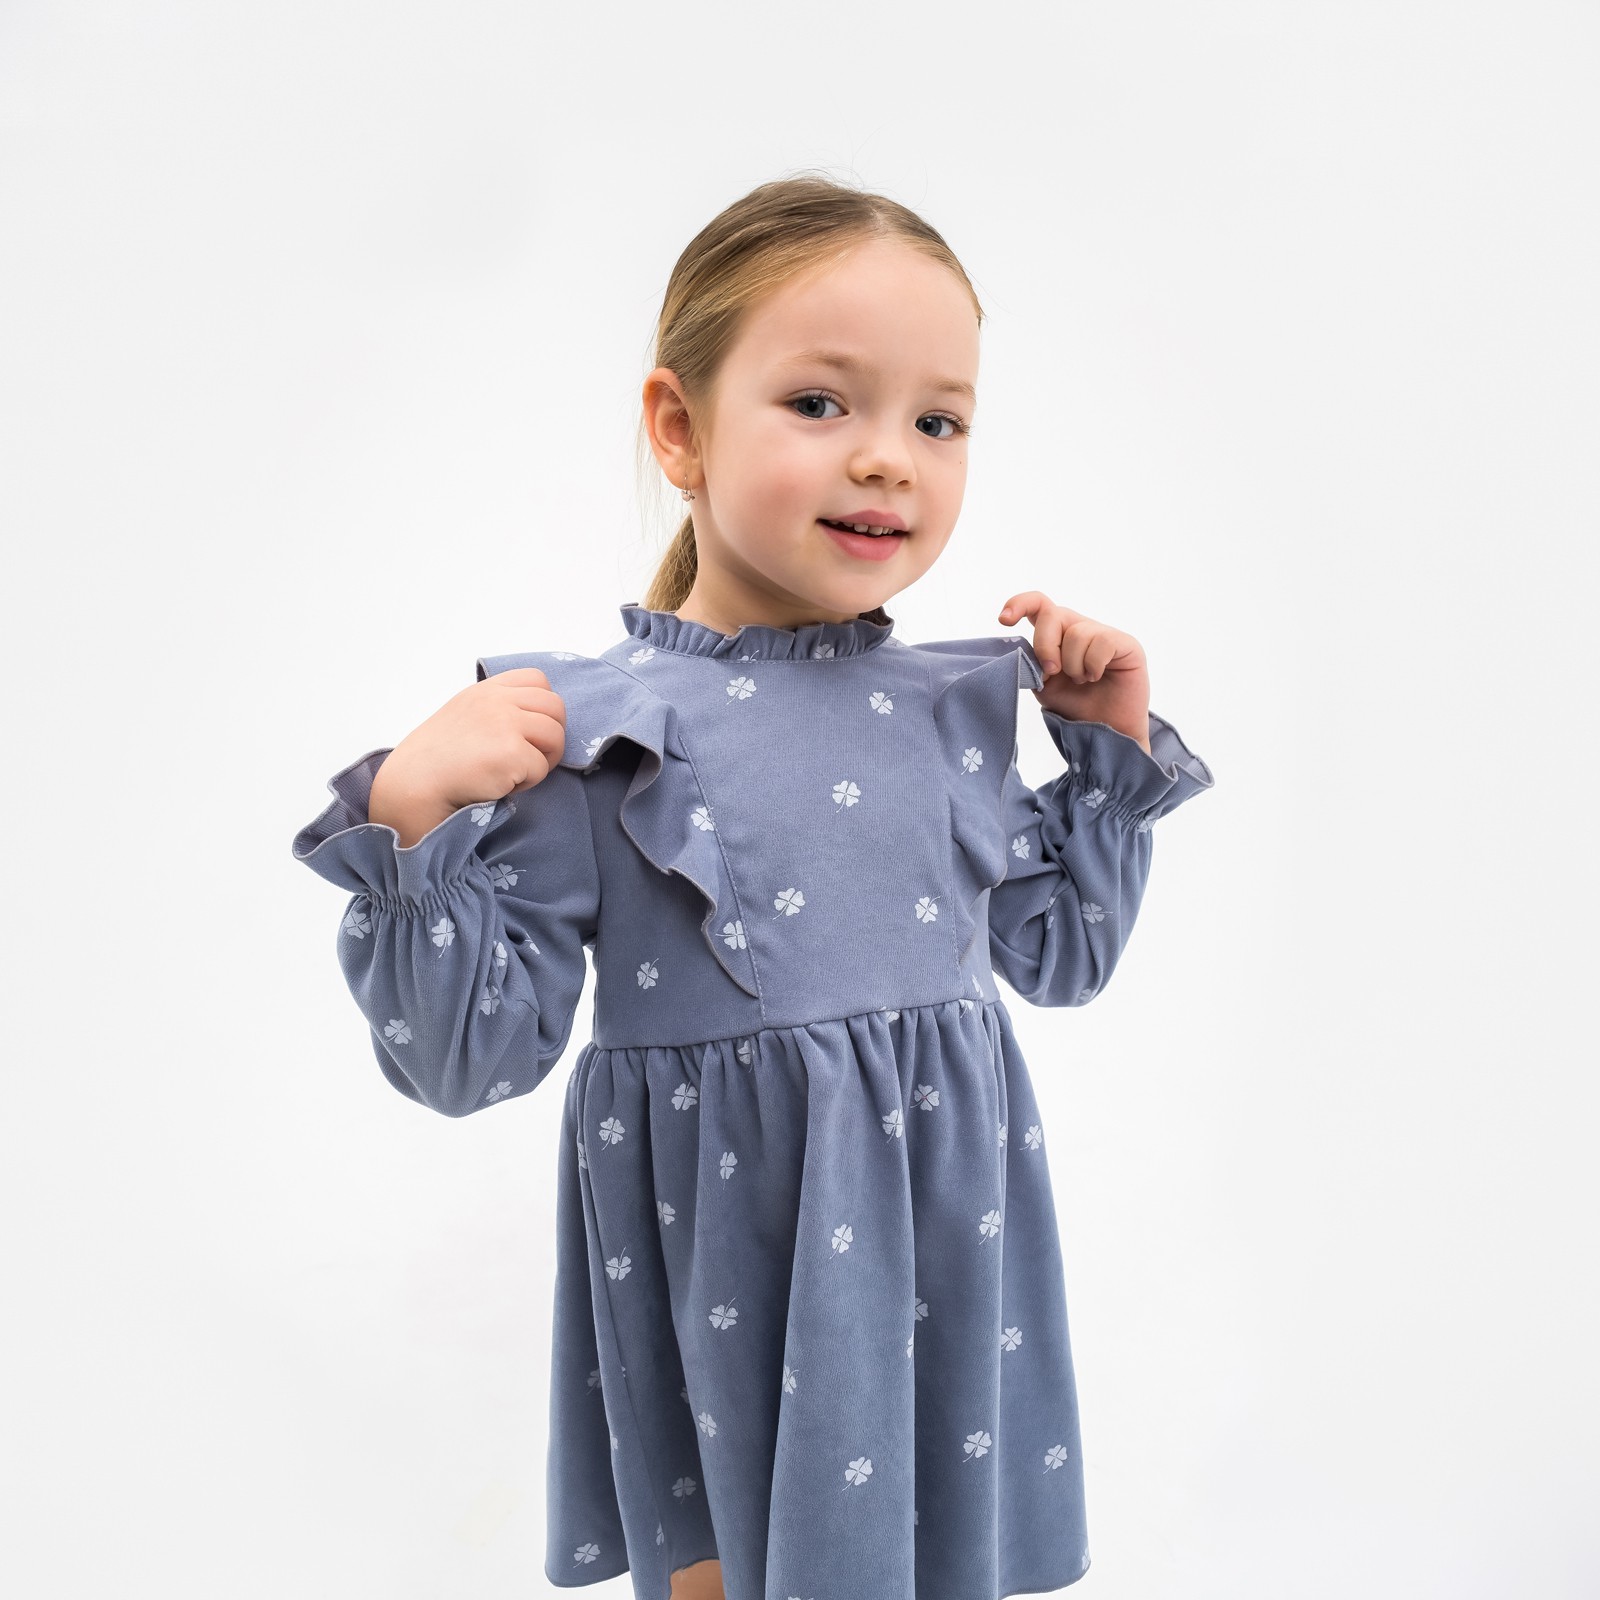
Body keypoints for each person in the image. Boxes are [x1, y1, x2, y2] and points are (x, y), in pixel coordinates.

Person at [291, 173, 1216, 1600]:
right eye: (820, 403)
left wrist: (1105, 756)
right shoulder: (600, 732)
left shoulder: (958, 706)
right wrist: (416, 820)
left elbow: (1061, 957)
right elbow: (462, 1063)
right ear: (680, 429)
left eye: (939, 421)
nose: (889, 460)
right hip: (726, 1274)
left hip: (945, 1259)